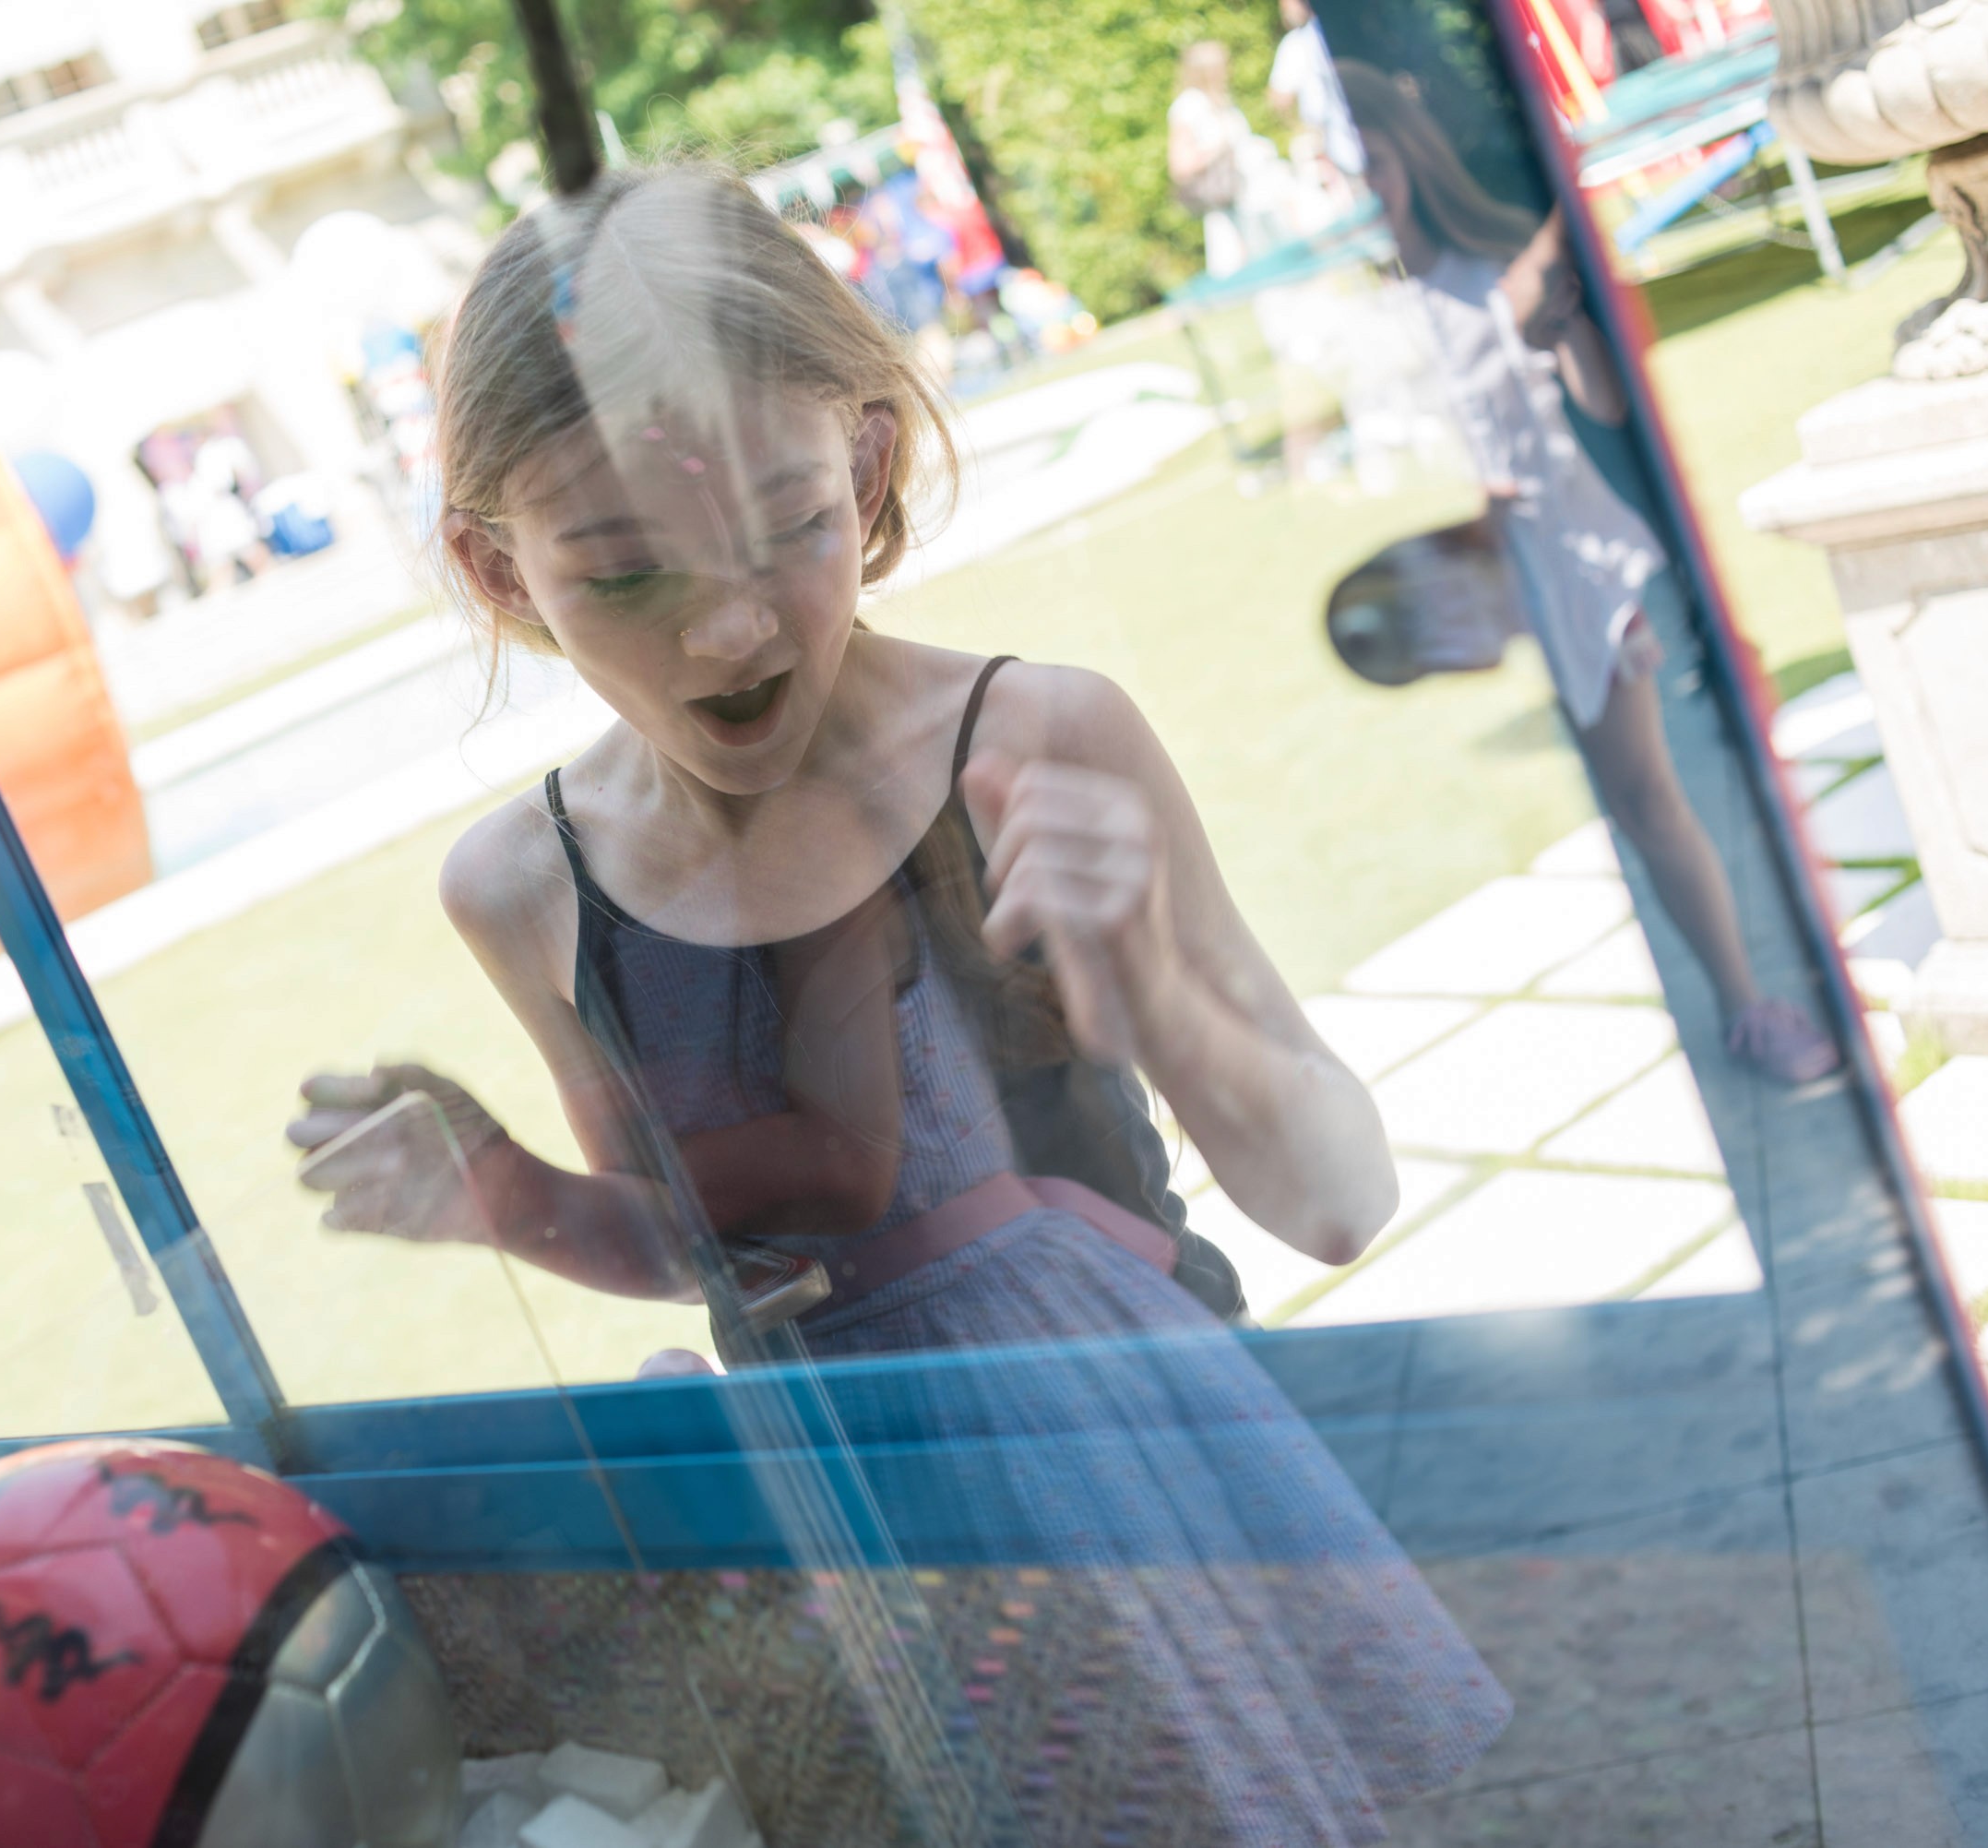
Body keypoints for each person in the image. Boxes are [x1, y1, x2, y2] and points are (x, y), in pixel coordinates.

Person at [286, 164, 1510, 1840]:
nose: (727, 629)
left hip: (1145, 1490)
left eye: (786, 522)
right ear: (498, 571)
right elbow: (708, 1247)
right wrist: (494, 1195)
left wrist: (1140, 969)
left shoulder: (1038, 739)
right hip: (884, 1558)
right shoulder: (523, 887)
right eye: (622, 570)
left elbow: (1338, 1196)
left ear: (864, 459)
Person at [1338, 62, 1840, 1082]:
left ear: (1409, 155)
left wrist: (1556, 323)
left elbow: (1607, 422)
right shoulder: (1407, 298)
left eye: (1372, 164)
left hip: (1590, 570)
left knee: (1657, 796)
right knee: (1649, 799)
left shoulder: (1498, 272)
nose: (1361, 191)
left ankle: (1759, 1002)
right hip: (1523, 583)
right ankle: (1753, 990)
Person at [1168, 41, 1256, 277]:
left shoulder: (1223, 101)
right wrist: (1218, 150)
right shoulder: (1188, 106)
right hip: (1225, 200)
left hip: (1251, 193)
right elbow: (1180, 166)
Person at [1268, 0, 1363, 185]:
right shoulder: (1345, 28)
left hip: (1342, 147)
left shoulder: (1298, 42)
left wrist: (1304, 131)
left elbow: (1279, 99)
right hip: (1348, 144)